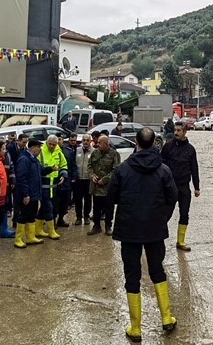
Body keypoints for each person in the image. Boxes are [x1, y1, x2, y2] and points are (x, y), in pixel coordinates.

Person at [107, 127, 178, 342]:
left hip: (129, 231)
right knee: (157, 271)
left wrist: (112, 220)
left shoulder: (122, 169)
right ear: (154, 143)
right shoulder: (164, 169)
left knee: (132, 276)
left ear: (136, 143)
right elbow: (172, 196)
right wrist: (162, 218)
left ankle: (136, 328)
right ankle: (166, 317)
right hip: (154, 230)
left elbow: (111, 198)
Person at [160, 121, 200, 251]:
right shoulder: (167, 147)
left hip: (184, 187)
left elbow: (194, 168)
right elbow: (160, 165)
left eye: (179, 130)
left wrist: (197, 187)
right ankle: (155, 237)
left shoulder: (190, 149)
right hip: (170, 186)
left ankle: (181, 241)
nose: (176, 133)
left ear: (185, 132)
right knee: (166, 213)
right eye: (175, 130)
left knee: (184, 214)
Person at [14, 139, 52, 248]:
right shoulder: (24, 159)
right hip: (27, 195)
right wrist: (26, 194)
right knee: (23, 215)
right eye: (38, 147)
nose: (40, 150)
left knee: (31, 215)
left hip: (34, 194)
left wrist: (50, 169)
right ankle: (18, 239)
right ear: (33, 147)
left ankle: (30, 237)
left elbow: (41, 171)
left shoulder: (34, 159)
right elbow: (21, 178)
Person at [87, 135, 121, 236]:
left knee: (108, 208)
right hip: (96, 187)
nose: (98, 145)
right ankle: (96, 226)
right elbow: (89, 166)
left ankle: (108, 227)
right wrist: (92, 175)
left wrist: (105, 180)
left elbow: (116, 170)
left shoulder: (114, 154)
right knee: (96, 208)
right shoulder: (95, 153)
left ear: (106, 144)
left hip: (108, 188)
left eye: (100, 143)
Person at [34, 135, 66, 240]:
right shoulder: (41, 152)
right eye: (50, 144)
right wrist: (50, 169)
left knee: (43, 208)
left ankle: (38, 230)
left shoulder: (58, 152)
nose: (52, 146)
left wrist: (63, 175)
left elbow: (64, 165)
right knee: (48, 207)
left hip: (54, 186)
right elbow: (38, 169)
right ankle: (51, 230)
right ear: (47, 142)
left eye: (54, 144)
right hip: (43, 185)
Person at [56, 135, 77, 227]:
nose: (58, 141)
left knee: (65, 202)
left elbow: (73, 165)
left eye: (60, 139)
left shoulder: (68, 151)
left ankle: (61, 219)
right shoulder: (49, 152)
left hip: (66, 181)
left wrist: (73, 177)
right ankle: (52, 221)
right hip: (55, 181)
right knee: (54, 202)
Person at [74, 133, 94, 226]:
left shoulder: (94, 152)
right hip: (78, 179)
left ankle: (86, 216)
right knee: (78, 199)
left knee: (88, 199)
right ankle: (78, 217)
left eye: (87, 140)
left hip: (88, 179)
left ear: (90, 141)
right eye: (84, 140)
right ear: (82, 141)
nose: (85, 142)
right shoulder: (77, 150)